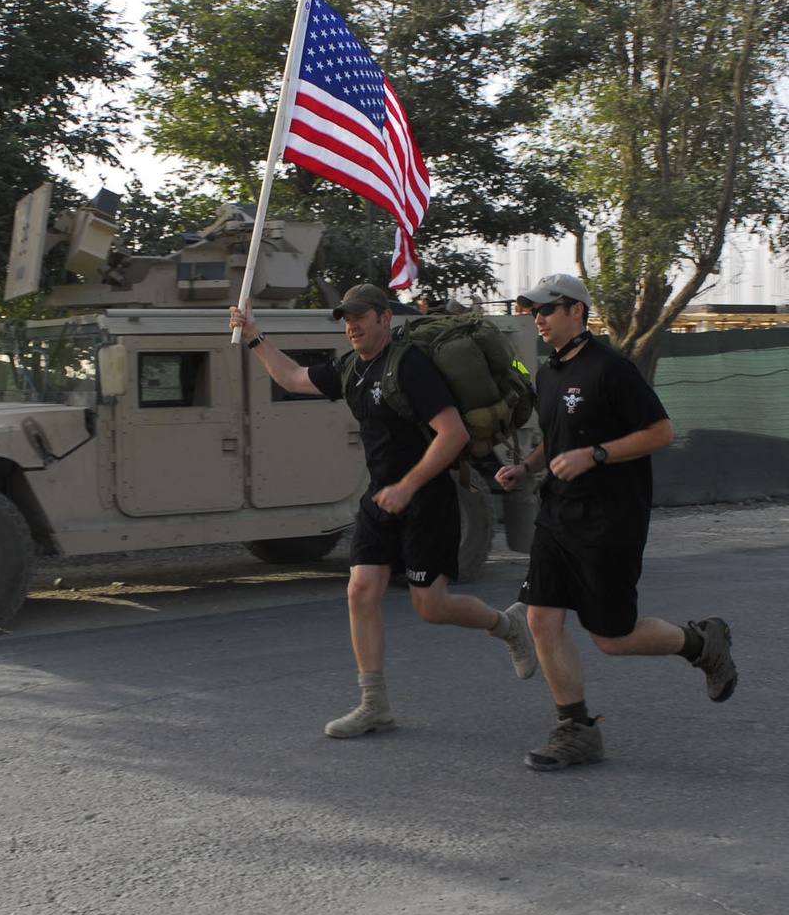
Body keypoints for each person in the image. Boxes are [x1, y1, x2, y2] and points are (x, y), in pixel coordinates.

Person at [229, 283, 537, 738]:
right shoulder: (351, 368)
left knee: (430, 607)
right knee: (360, 592)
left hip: (425, 498)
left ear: (384, 318)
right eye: (347, 319)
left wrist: (408, 486)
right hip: (381, 498)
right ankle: (374, 704)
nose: (351, 325)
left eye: (360, 317)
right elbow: (292, 377)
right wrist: (254, 335)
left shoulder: (410, 366)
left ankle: (507, 625)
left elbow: (451, 434)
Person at [496, 273, 737, 771]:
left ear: (577, 311)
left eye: (547, 307)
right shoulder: (547, 373)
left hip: (609, 520)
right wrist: (527, 467)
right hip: (558, 513)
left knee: (612, 636)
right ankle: (577, 729)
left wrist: (598, 454)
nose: (537, 316)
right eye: (533, 308)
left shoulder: (611, 369)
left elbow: (661, 432)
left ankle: (700, 641)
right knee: (541, 617)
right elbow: (557, 439)